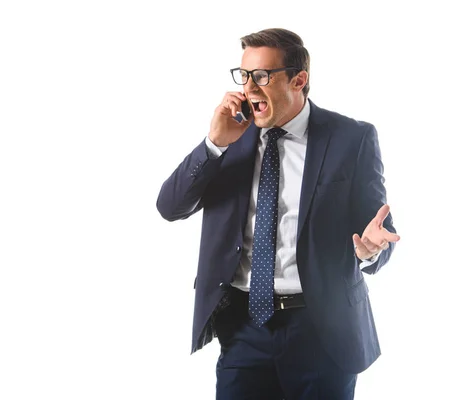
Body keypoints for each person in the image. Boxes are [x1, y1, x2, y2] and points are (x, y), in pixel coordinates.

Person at [156, 28, 400, 399]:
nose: (249, 88)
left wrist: (369, 251)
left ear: (299, 80)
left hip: (323, 329)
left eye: (262, 76)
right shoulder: (231, 138)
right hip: (244, 329)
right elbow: (170, 207)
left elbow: (378, 229)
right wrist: (214, 143)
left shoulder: (352, 138)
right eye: (244, 75)